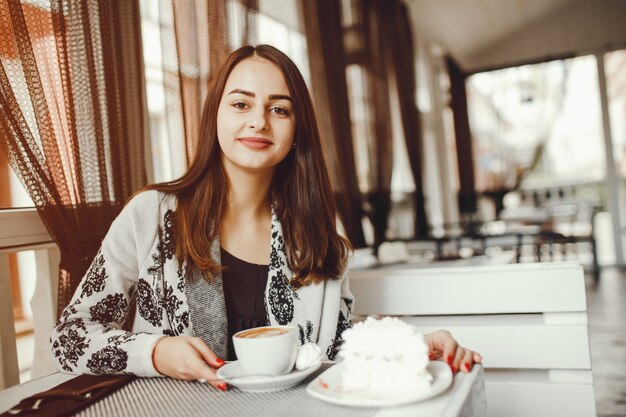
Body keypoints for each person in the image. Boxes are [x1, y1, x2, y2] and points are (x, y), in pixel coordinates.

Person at [50, 44, 481, 392]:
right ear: (214, 116)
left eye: (279, 109)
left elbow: (331, 348)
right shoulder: (151, 215)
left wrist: (411, 347)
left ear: (297, 131)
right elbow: (69, 338)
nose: (258, 121)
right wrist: (157, 352)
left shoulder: (317, 235)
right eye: (241, 104)